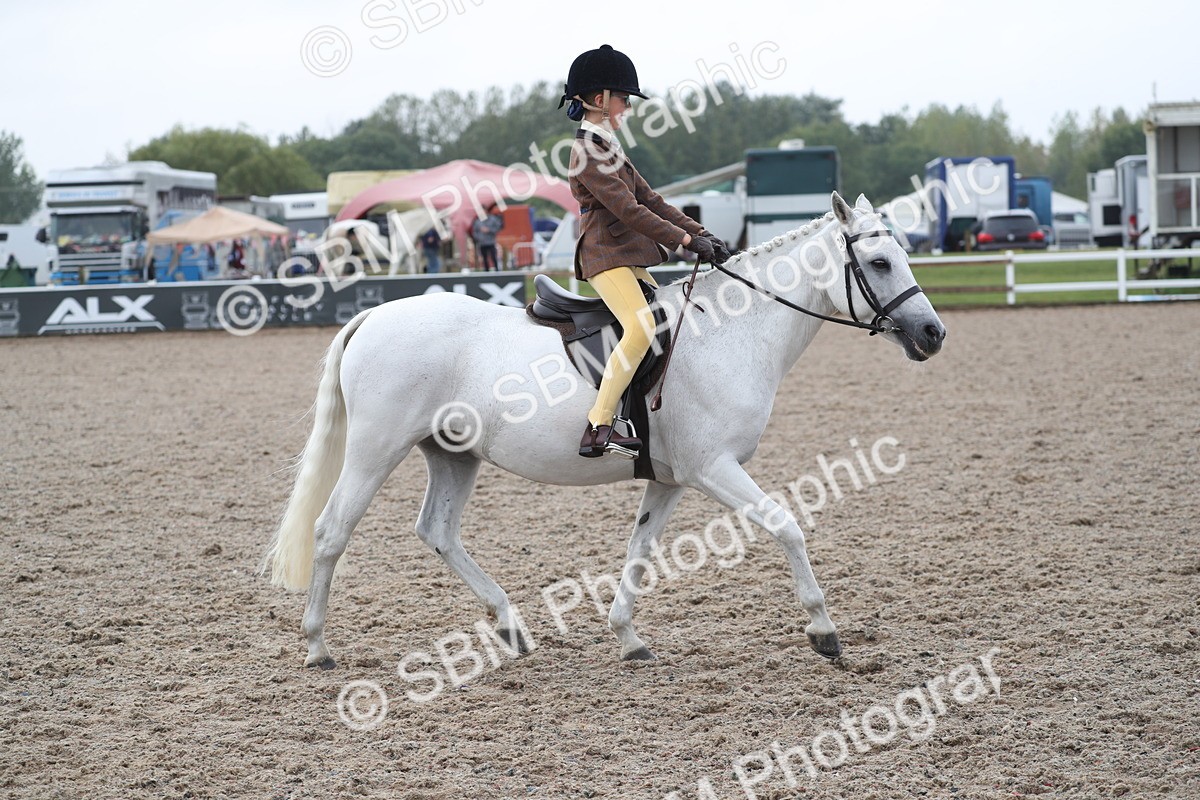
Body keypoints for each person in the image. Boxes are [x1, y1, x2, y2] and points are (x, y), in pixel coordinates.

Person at [560, 44, 730, 458]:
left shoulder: (609, 147)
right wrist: (686, 242)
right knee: (641, 330)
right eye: (623, 100)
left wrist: (703, 232)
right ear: (599, 100)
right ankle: (598, 426)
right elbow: (629, 210)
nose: (627, 109)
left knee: (667, 319)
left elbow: (652, 200)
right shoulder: (586, 152)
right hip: (605, 256)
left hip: (627, 256)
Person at [471, 207, 503, 271]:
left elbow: (498, 228)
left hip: (491, 242)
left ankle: (497, 271)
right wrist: (479, 238)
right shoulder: (478, 222)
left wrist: (489, 230)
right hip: (482, 243)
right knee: (484, 258)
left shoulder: (493, 219)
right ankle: (486, 271)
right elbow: (475, 233)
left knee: (493, 257)